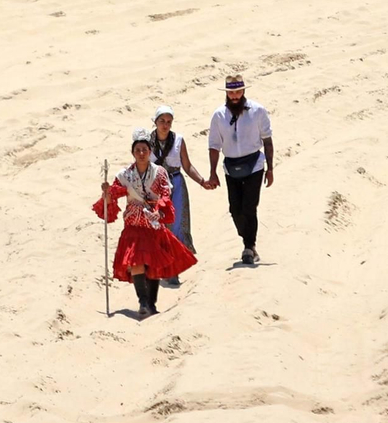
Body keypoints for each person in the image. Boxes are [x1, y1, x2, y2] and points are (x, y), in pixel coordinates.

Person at [94, 130, 198, 317]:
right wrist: (107, 193)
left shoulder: (159, 173)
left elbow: (166, 193)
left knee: (154, 265)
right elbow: (114, 196)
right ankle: (142, 302)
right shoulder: (125, 174)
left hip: (153, 224)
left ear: (149, 152)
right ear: (133, 153)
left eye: (144, 149)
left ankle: (151, 303)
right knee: (136, 262)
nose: (141, 153)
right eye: (138, 150)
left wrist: (158, 208)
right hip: (133, 224)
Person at [205, 73, 273, 265]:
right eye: (231, 92)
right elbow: (214, 145)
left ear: (243, 91)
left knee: (249, 207)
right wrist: (212, 173)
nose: (234, 96)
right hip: (231, 167)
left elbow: (267, 140)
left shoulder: (258, 111)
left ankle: (249, 247)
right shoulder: (219, 115)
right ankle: (247, 238)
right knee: (235, 209)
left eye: (238, 92)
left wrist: (270, 168)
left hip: (255, 165)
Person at [149, 105, 208, 287]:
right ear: (155, 122)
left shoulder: (178, 140)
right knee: (157, 226)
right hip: (154, 187)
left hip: (176, 185)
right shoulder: (145, 141)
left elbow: (187, 166)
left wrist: (202, 181)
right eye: (162, 121)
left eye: (168, 122)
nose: (165, 125)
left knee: (176, 226)